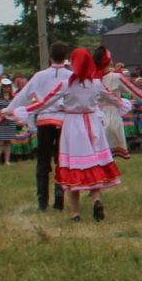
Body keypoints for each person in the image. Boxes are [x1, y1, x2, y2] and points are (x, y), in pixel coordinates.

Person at [52, 49, 126, 222]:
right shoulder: (96, 83)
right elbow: (116, 99)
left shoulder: (66, 84)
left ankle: (75, 213)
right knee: (95, 164)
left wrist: (20, 110)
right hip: (93, 124)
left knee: (73, 167)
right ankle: (96, 199)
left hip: (73, 125)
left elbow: (45, 101)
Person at [11, 43, 72, 210]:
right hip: (64, 121)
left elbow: (23, 96)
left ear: (50, 56)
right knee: (62, 160)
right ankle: (59, 196)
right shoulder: (72, 76)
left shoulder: (39, 76)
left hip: (45, 119)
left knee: (43, 162)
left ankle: (42, 202)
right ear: (65, 56)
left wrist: (8, 111)